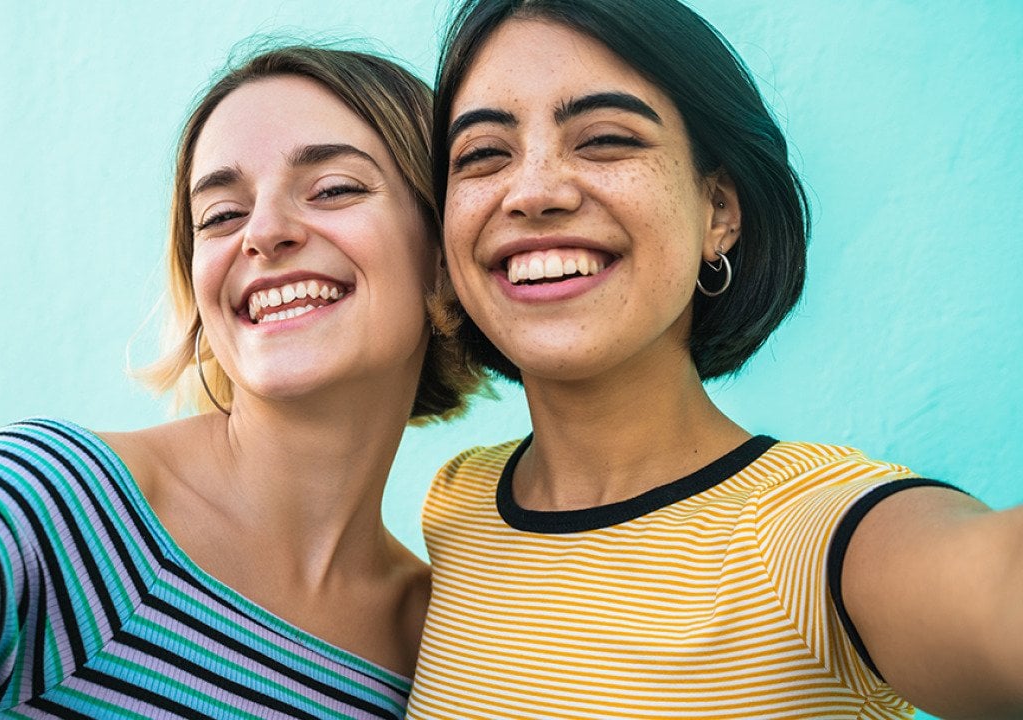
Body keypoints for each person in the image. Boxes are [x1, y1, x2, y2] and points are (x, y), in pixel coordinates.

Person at [0, 45, 480, 720]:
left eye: (333, 189)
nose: (262, 231)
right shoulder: (66, 507)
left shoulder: (448, 644)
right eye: (221, 214)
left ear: (445, 260)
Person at [406, 1, 1023, 718]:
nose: (535, 191)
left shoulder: (819, 532)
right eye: (482, 155)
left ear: (719, 211)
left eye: (605, 139)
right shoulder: (457, 505)